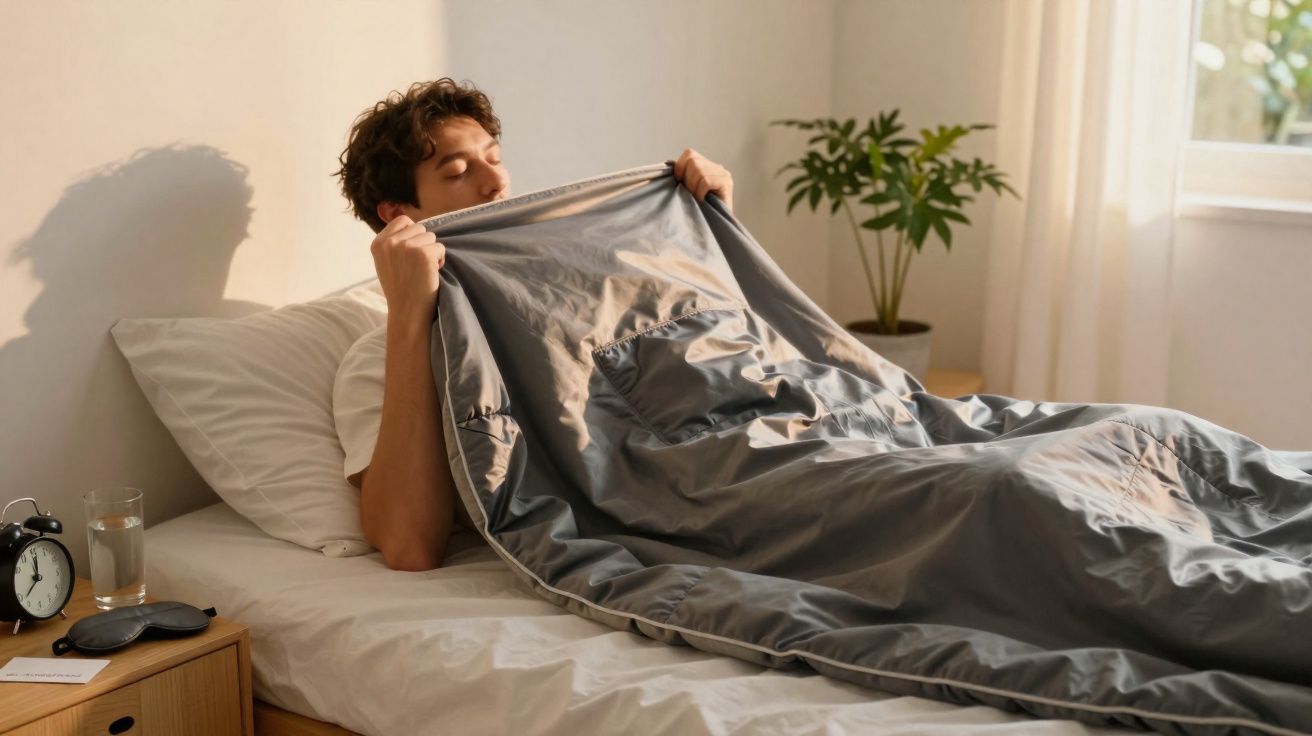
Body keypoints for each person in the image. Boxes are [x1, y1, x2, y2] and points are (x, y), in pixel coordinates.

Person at [333, 78, 735, 571]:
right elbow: (408, 545)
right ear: (398, 215)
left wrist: (712, 226)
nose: (496, 182)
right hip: (670, 509)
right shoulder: (380, 358)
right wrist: (409, 316)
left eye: (495, 159)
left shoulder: (580, 285)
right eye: (458, 171)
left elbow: (710, 366)